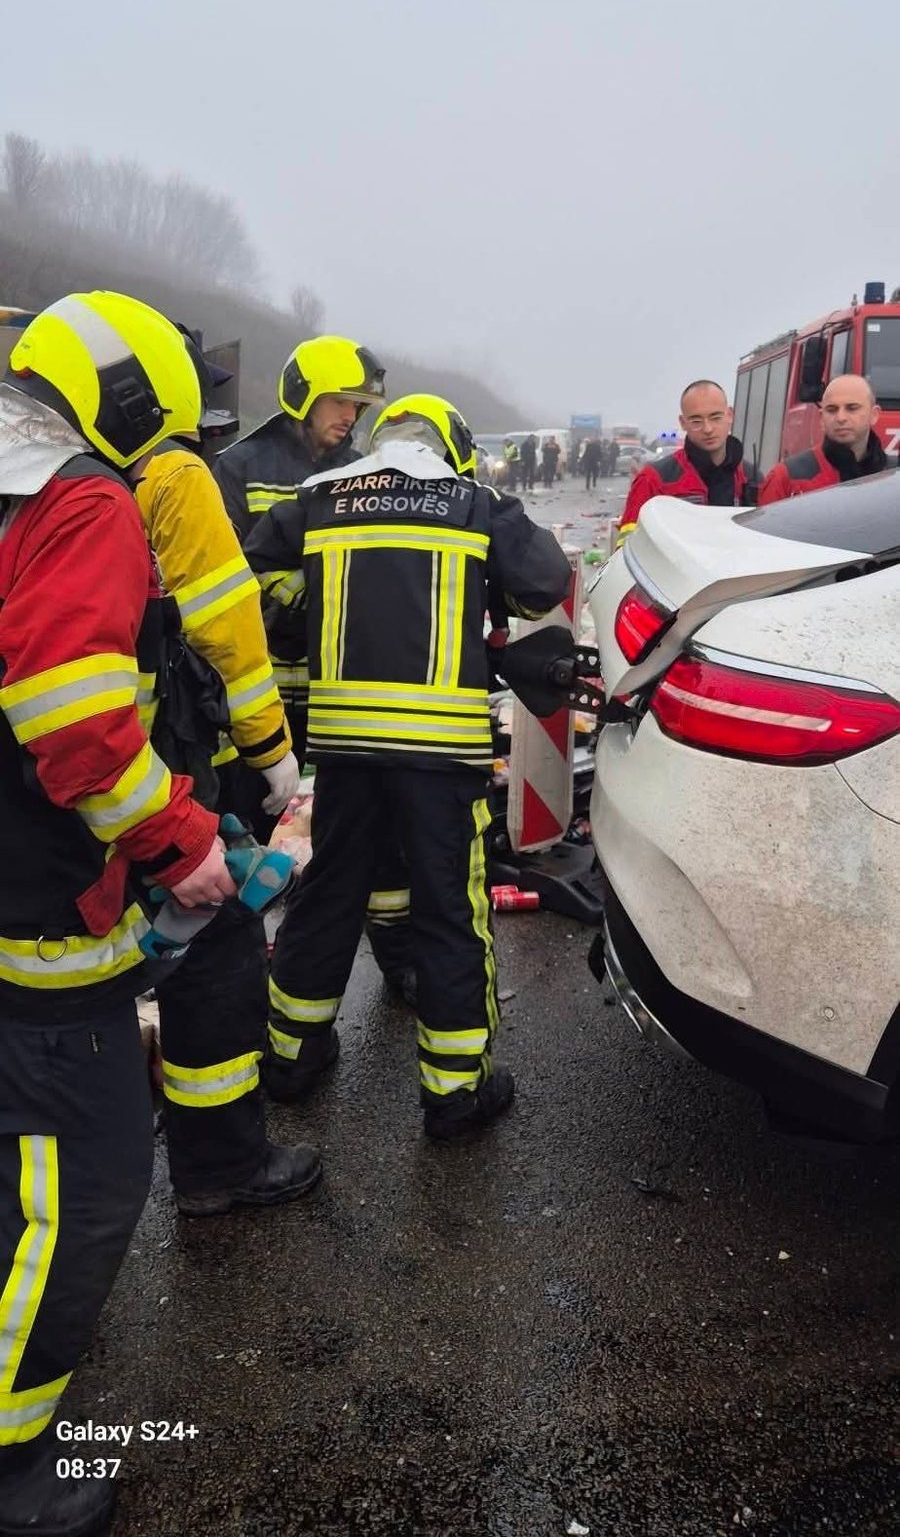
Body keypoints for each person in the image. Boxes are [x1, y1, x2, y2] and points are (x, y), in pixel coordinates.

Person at [0, 292, 311, 1537]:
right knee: (82, 1183)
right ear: (132, 400)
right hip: (39, 906)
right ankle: (12, 1459)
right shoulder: (81, 498)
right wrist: (182, 837)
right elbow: (77, 721)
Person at [246, 394, 570, 1138]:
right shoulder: (474, 500)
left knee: (327, 893)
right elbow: (545, 583)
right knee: (451, 911)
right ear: (452, 447)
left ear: (377, 439)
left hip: (344, 743)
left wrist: (315, 604)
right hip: (441, 753)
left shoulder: (319, 495)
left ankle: (291, 1059)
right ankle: (455, 1095)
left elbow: (256, 578)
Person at [130, 340, 319, 1220]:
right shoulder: (174, 476)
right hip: (153, 761)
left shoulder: (32, 473)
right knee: (213, 949)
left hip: (51, 772)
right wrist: (274, 763)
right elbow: (227, 631)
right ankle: (220, 1166)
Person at [217, 336, 413, 995]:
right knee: (251, 833)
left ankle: (349, 961)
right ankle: (240, 961)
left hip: (337, 695)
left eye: (358, 408)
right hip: (261, 697)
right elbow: (227, 580)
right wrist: (300, 602)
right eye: (340, 403)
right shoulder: (238, 467)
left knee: (345, 835)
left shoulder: (361, 470)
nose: (349, 419)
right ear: (302, 395)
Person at [617, 381, 755, 544]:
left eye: (716, 417)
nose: (708, 429)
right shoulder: (654, 480)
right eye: (696, 421)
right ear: (683, 423)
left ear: (730, 415)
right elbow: (627, 549)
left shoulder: (752, 477)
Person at [759, 375, 888, 502]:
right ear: (821, 418)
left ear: (874, 414)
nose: (841, 418)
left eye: (852, 408)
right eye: (832, 410)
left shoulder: (894, 476)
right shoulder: (785, 477)